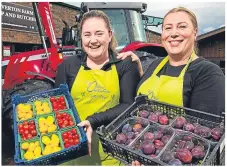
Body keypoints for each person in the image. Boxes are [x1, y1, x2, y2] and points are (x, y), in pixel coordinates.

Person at [117, 6, 225, 165]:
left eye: (182, 26)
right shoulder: (155, 64)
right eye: (168, 28)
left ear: (195, 32)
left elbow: (203, 136)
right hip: (142, 147)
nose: (173, 33)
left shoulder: (208, 73)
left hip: (171, 156)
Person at [54, 10, 140, 165]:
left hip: (112, 145)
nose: (93, 40)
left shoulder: (125, 65)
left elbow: (128, 105)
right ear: (81, 38)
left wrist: (93, 121)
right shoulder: (68, 65)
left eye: (99, 33)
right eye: (87, 35)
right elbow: (58, 105)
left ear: (109, 34)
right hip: (74, 144)